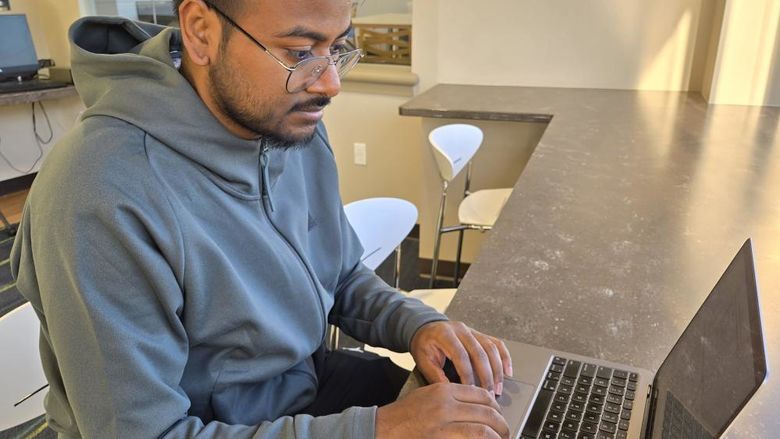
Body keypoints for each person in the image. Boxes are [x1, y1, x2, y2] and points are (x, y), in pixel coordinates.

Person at [10, 0, 513, 437]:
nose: (330, 84)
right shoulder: (99, 192)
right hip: (210, 426)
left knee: (492, 409)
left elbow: (337, 273)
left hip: (300, 389)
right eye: (298, 52)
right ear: (202, 31)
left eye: (338, 46)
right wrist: (381, 429)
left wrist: (418, 326)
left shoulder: (287, 123)